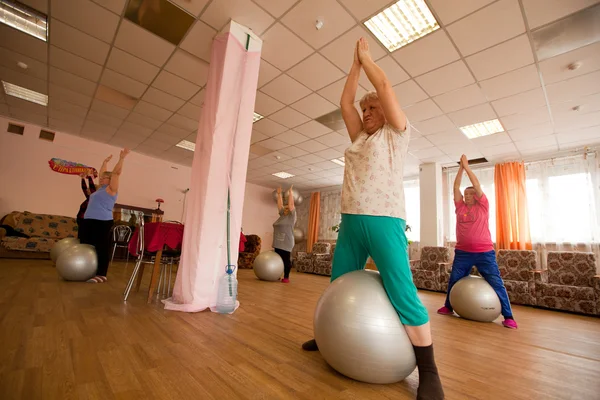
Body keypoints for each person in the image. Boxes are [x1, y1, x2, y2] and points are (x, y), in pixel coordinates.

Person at [301, 38, 444, 400]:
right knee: (338, 284)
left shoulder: (396, 135)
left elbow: (384, 86)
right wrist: (352, 66)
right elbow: (343, 103)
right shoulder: (358, 139)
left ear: (385, 113)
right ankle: (328, 335)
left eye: (372, 109)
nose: (365, 113)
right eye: (365, 110)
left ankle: (429, 371)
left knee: (402, 291)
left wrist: (366, 59)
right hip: (351, 221)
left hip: (385, 221)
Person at [437, 155, 517, 329]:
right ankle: (448, 306)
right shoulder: (460, 207)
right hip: (463, 253)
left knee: (496, 282)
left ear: (476, 196)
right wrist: (460, 168)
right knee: (455, 279)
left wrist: (467, 168)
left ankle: (508, 316)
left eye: (470, 193)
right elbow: (456, 186)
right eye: (465, 194)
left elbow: (478, 186)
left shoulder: (483, 205)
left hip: (484, 253)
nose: (466, 196)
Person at [81, 149, 130, 283]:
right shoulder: (99, 190)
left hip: (102, 221)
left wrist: (121, 158)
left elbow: (116, 173)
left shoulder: (111, 189)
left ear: (110, 180)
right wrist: (104, 162)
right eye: (101, 178)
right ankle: (85, 269)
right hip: (88, 220)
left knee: (101, 248)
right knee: (86, 245)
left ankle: (101, 274)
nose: (101, 178)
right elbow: (103, 172)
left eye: (104, 178)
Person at [273, 186, 296, 283]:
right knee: (277, 260)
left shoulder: (291, 217)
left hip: (286, 242)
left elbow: (291, 204)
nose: (286, 208)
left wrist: (290, 193)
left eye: (288, 208)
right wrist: (279, 194)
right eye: (285, 208)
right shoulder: (282, 216)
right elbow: (280, 205)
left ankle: (286, 277)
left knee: (285, 261)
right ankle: (276, 274)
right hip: (277, 242)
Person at [76, 171, 97, 239]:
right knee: (80, 238)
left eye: (89, 190)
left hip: (86, 222)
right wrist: (83, 178)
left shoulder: (94, 199)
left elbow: (92, 188)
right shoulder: (89, 198)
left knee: (83, 239)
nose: (87, 191)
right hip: (81, 221)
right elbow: (84, 188)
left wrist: (90, 177)